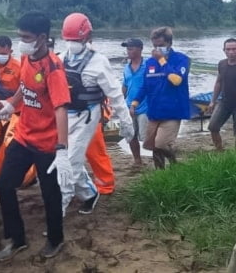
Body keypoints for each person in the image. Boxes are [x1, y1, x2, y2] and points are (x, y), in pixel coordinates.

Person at [0, 11, 70, 261]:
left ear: (42, 37)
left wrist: (62, 148)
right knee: (3, 183)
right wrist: (9, 104)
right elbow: (23, 89)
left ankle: (56, 239)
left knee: (50, 194)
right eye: (20, 36)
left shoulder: (54, 68)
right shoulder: (26, 59)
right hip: (24, 136)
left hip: (48, 144)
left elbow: (61, 108)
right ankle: (16, 238)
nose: (21, 42)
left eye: (26, 37)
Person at [58, 13, 133, 215]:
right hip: (64, 116)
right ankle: (89, 193)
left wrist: (126, 123)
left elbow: (115, 94)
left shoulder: (99, 62)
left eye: (77, 39)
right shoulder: (59, 59)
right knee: (61, 158)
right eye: (69, 39)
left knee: (69, 164)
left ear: (87, 37)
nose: (73, 43)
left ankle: (57, 213)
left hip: (88, 117)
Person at [130, 27, 190, 168]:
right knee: (153, 146)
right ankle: (160, 174)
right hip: (154, 112)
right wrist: (134, 103)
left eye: (161, 45)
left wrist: (162, 61)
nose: (157, 48)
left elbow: (176, 80)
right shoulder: (150, 62)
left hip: (173, 111)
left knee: (161, 143)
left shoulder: (182, 59)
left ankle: (175, 164)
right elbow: (145, 86)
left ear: (169, 43)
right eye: (155, 45)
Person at [121, 38, 148, 167]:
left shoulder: (148, 65)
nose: (128, 51)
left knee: (146, 137)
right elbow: (125, 86)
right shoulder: (126, 67)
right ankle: (137, 160)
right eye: (127, 48)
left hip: (145, 106)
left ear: (140, 49)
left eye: (131, 48)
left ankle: (158, 157)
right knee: (131, 135)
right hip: (128, 106)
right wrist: (120, 102)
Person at [207, 38, 236, 151]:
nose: (231, 52)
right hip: (225, 101)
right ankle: (219, 150)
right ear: (224, 50)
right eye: (228, 49)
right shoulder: (222, 64)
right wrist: (212, 101)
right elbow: (218, 82)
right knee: (213, 127)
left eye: (234, 49)